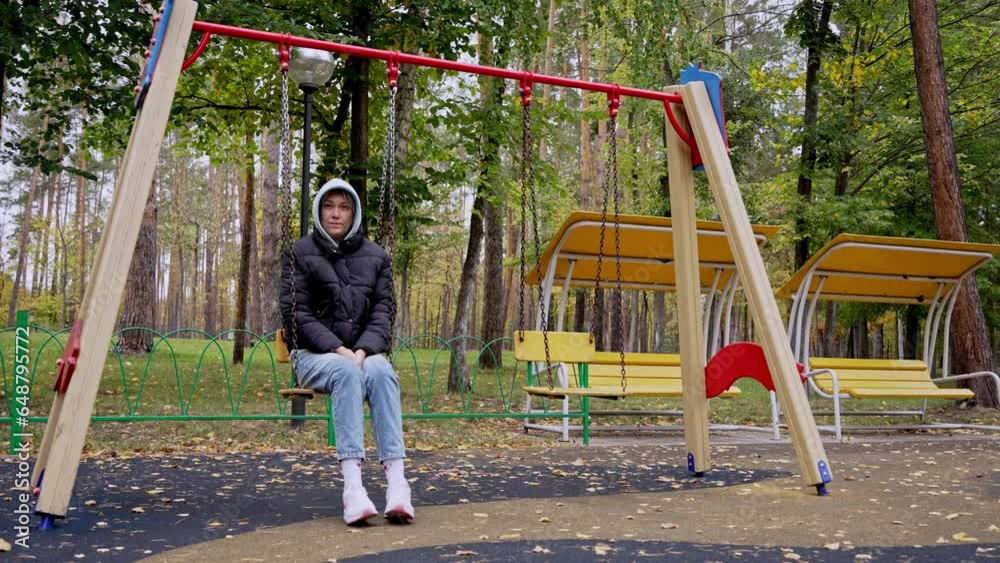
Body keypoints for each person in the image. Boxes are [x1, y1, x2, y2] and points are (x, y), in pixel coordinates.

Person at [280, 178, 413, 525]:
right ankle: (353, 489)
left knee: (382, 371)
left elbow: (383, 313)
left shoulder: (377, 257)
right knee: (347, 371)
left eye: (343, 207)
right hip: (313, 355)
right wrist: (340, 349)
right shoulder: (299, 252)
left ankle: (398, 485)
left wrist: (364, 350)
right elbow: (297, 315)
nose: (335, 214)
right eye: (328, 206)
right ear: (318, 211)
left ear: (354, 213)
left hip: (362, 355)